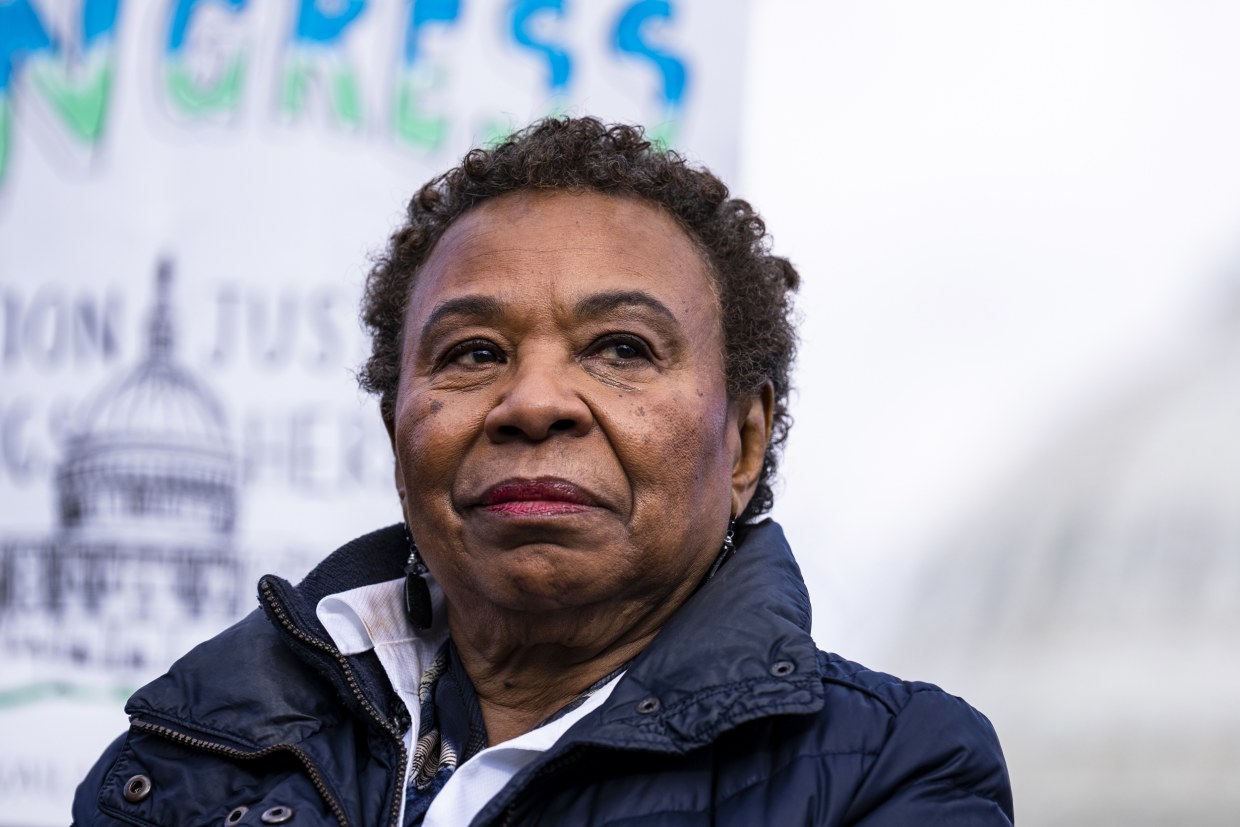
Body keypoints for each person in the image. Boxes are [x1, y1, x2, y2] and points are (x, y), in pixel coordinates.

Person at [73, 118, 1014, 826]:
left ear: (744, 441)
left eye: (620, 347)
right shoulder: (188, 760)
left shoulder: (894, 766)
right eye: (473, 353)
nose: (533, 401)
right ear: (396, 427)